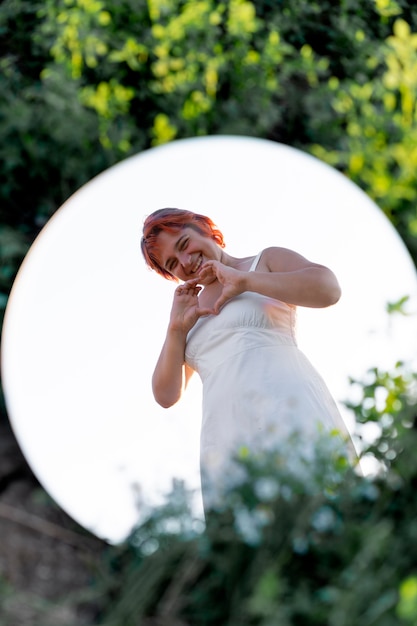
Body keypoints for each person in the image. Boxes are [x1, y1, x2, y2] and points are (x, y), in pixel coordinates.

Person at [141, 208, 356, 511]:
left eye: (184, 244)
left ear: (205, 229)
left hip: (288, 405)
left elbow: (328, 289)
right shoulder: (190, 311)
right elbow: (165, 395)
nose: (186, 262)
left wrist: (245, 281)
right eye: (173, 264)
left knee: (319, 505)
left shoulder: (263, 261)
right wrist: (176, 329)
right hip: (226, 433)